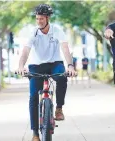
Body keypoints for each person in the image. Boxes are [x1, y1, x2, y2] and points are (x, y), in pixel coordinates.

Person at [16, 4, 76, 141]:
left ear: (48, 18)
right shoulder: (33, 32)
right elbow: (26, 50)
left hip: (55, 64)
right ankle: (35, 133)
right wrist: (20, 65)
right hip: (36, 66)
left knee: (62, 77)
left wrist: (71, 66)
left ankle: (59, 108)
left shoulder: (57, 31)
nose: (39, 22)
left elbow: (65, 48)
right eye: (37, 19)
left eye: (41, 19)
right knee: (33, 97)